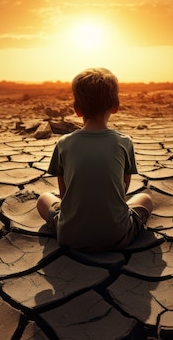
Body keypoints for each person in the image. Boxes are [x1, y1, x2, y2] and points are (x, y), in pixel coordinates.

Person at [36, 67, 153, 251]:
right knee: (145, 198)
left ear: (77, 110)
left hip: (69, 236)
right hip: (117, 236)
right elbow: (123, 191)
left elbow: (64, 194)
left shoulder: (63, 143)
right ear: (115, 106)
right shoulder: (124, 142)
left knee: (44, 198)